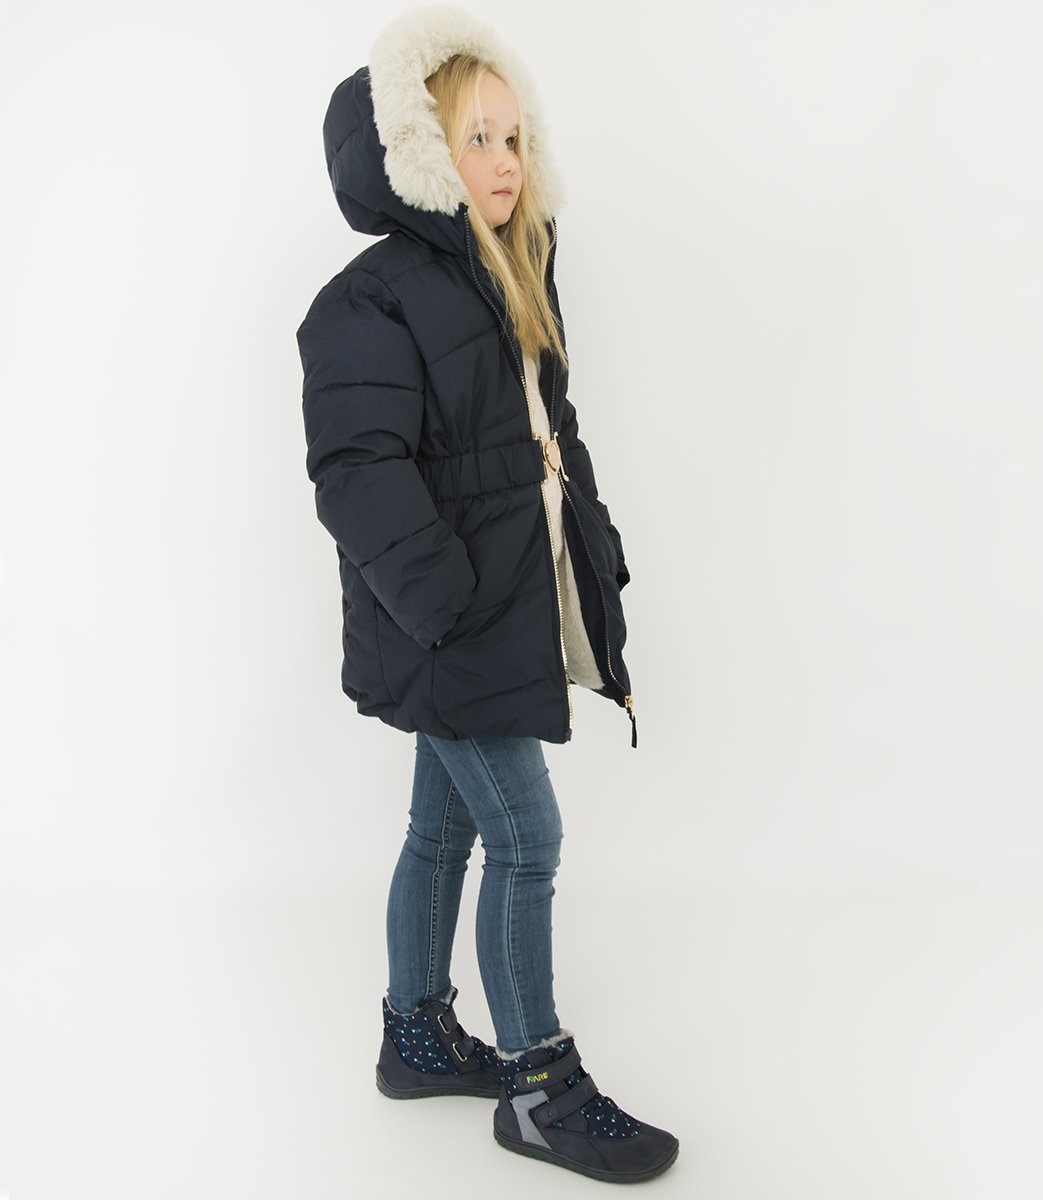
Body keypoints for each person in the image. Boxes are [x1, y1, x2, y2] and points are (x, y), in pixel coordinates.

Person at [295, 5, 677, 1185]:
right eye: (475, 139)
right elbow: (358, 473)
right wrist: (449, 606)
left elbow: (551, 434)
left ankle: (415, 1034)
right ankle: (539, 1088)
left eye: (514, 137)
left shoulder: (515, 273)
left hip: (504, 603)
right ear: (416, 152)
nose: (504, 161)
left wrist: (592, 550)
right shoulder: (368, 302)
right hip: (450, 621)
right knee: (526, 835)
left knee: (444, 826)